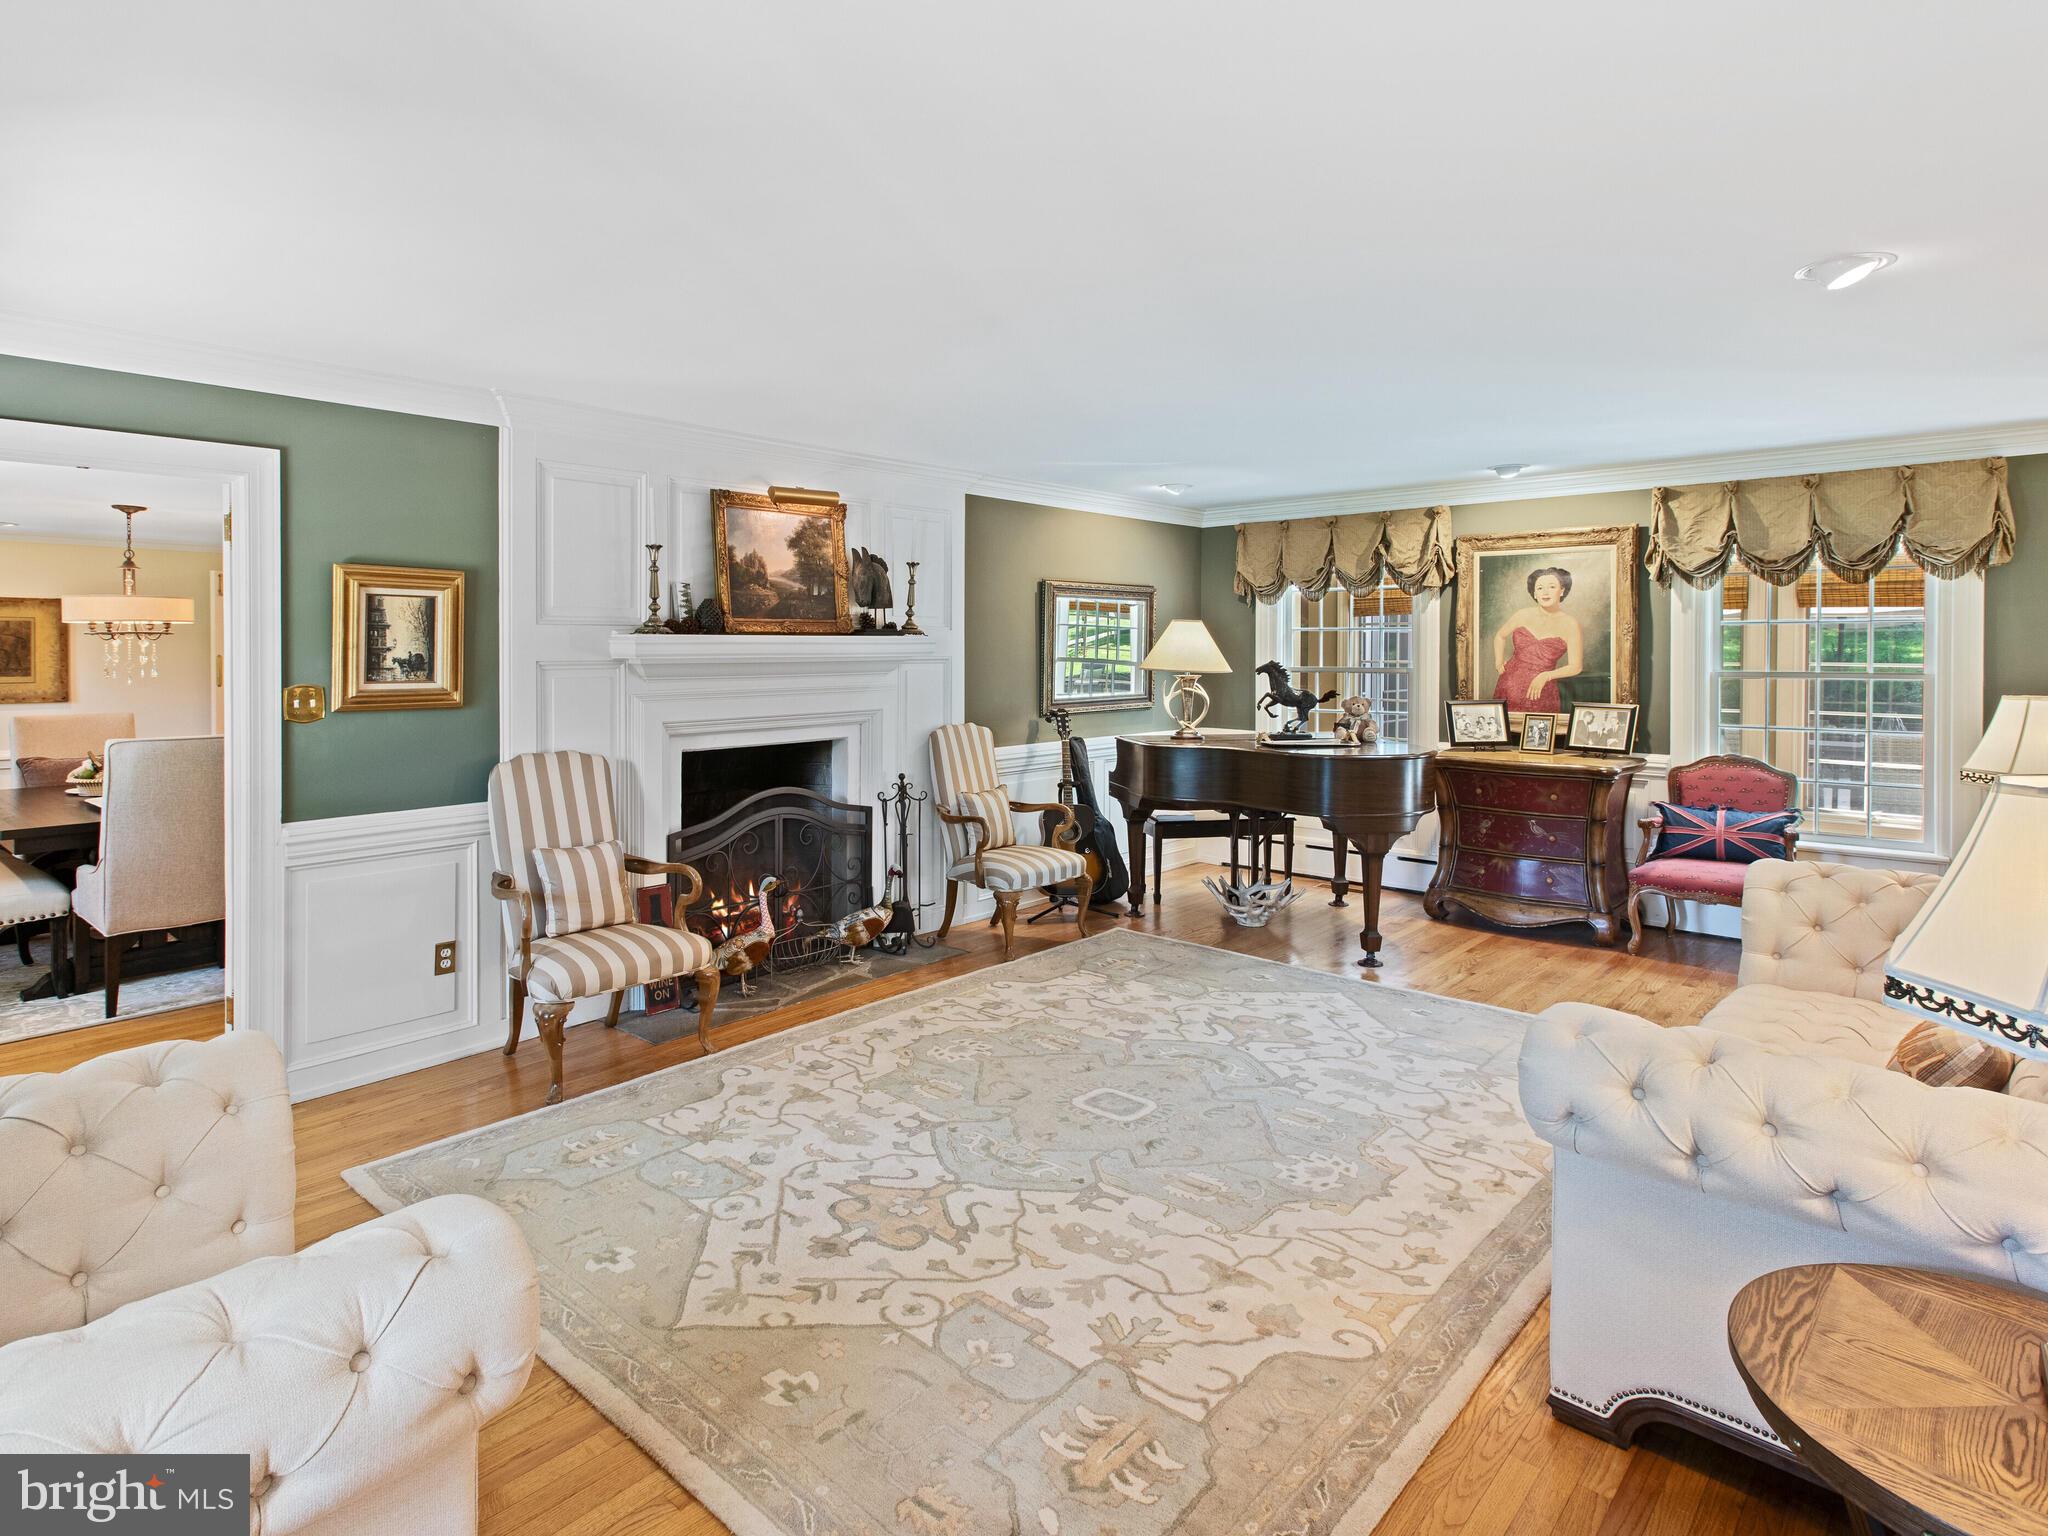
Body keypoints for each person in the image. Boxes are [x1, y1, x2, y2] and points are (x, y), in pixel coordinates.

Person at [1492, 566, 1584, 714]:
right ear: (1534, 593)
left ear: (1562, 590)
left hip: (1541, 691)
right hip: (1508, 685)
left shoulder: (1571, 624)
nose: (1545, 592)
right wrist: (1498, 662)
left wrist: (1546, 676)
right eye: (1540, 588)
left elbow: (1576, 667)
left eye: (1552, 587)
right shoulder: (1522, 615)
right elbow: (1500, 636)